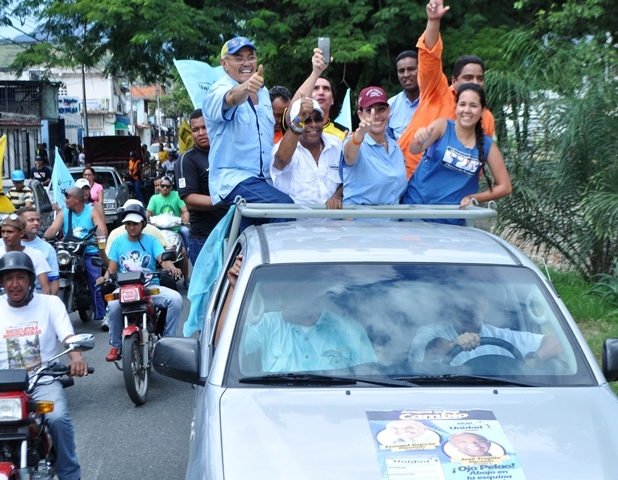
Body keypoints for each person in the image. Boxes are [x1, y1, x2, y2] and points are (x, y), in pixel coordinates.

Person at [0, 251, 88, 480]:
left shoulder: (50, 304)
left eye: (21, 277)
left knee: (57, 417)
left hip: (42, 382)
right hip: (4, 389)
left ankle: (69, 472)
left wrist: (76, 358)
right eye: (9, 278)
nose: (15, 284)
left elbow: (67, 337)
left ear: (31, 280)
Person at [397, 0, 496, 178]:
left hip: (445, 194)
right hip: (406, 178)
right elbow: (429, 57)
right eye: (468, 77)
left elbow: (476, 164)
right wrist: (433, 21)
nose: (474, 82)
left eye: (480, 78)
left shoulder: (486, 118)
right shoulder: (437, 90)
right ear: (454, 80)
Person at [203, 36, 293, 229]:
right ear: (224, 64)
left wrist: (316, 71)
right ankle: (279, 259)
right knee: (285, 208)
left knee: (249, 238)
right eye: (238, 58)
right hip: (234, 179)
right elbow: (231, 98)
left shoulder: (262, 91)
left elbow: (291, 111)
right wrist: (245, 87)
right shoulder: (217, 90)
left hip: (262, 181)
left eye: (250, 57)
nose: (246, 63)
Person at [228, 255, 376, 372]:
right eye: (279, 297)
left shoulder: (349, 331)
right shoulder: (268, 324)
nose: (280, 303)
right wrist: (234, 289)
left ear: (309, 297)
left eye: (286, 297)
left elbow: (371, 383)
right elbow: (223, 347)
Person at [402, 84, 511, 225]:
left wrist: (473, 197)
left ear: (483, 110)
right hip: (417, 210)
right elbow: (414, 150)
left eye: (473, 105)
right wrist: (418, 139)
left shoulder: (487, 145)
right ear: (456, 106)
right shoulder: (442, 126)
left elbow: (505, 187)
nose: (467, 110)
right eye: (462, 104)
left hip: (453, 217)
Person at [99, 203, 183, 362]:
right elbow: (112, 269)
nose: (131, 227)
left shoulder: (151, 241)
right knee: (113, 305)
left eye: (135, 223)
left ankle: (168, 342)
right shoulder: (117, 242)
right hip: (124, 289)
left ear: (143, 223)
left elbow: (163, 260)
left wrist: (172, 268)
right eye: (128, 224)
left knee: (176, 299)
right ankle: (116, 345)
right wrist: (104, 277)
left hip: (149, 287)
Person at [408, 290, 562, 366]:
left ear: (485, 307)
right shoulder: (429, 332)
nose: (469, 312)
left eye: (475, 306)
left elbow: (557, 342)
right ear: (453, 307)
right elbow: (430, 348)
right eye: (463, 307)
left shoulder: (500, 336)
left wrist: (533, 359)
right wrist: (453, 344)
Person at [44, 186, 107, 321]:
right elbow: (53, 228)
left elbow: (102, 230)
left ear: (76, 199)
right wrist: (43, 238)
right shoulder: (63, 213)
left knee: (95, 281)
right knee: (53, 275)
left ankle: (102, 315)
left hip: (88, 251)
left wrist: (99, 237)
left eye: (67, 197)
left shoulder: (92, 211)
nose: (65, 200)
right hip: (68, 252)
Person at [175, 109, 229, 264]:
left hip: (233, 233)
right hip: (204, 238)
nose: (201, 133)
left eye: (205, 127)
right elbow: (190, 199)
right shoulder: (187, 160)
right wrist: (226, 199)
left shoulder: (226, 153)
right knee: (207, 288)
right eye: (195, 130)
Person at [271, 97, 343, 208]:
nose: (313, 124)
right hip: (295, 225)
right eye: (307, 120)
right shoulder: (282, 148)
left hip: (335, 224)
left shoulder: (337, 145)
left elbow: (350, 178)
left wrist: (337, 196)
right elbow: (281, 159)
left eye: (317, 119)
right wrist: (299, 118)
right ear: (293, 123)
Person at [341, 87, 407, 207]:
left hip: (393, 224)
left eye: (381, 109)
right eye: (369, 110)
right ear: (360, 115)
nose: (375, 116)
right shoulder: (355, 141)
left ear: (388, 111)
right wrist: (359, 134)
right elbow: (348, 156)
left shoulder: (394, 146)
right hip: (362, 223)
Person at [283, 50, 347, 141]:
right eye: (315, 88)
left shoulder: (344, 133)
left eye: (326, 88)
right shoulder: (297, 124)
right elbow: (292, 113)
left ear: (332, 100)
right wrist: (315, 73)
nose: (321, 92)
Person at [146, 176, 190, 284]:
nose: (165, 188)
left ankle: (186, 279)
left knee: (185, 236)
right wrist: (146, 218)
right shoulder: (154, 198)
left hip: (175, 229)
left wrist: (185, 218)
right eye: (163, 186)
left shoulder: (176, 196)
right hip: (158, 230)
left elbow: (185, 210)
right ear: (159, 187)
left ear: (171, 187)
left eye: (168, 186)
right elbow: (148, 211)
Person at [0, 214, 51, 295]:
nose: (5, 236)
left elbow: (45, 287)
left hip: (30, 302)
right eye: (3, 232)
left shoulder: (36, 254)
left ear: (22, 233)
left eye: (10, 232)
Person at [16, 206, 60, 295]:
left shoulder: (47, 248)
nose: (36, 223)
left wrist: (46, 304)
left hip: (37, 297)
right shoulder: (4, 244)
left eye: (37, 220)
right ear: (19, 223)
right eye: (31, 220)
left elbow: (54, 281)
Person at [387, 51, 420, 141]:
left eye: (411, 69)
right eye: (401, 71)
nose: (406, 75)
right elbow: (385, 141)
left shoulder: (434, 102)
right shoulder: (390, 106)